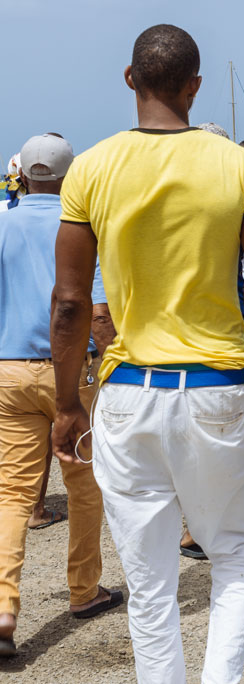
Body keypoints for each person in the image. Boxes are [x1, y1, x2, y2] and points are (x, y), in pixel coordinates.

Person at [49, 24, 244, 683]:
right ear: (195, 86)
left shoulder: (90, 167)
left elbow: (68, 303)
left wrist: (68, 403)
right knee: (236, 555)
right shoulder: (237, 166)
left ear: (129, 79)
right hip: (217, 393)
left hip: (127, 394)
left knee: (149, 586)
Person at [0, 134, 121, 658]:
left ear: (22, 175)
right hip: (69, 372)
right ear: (70, 178)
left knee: (11, 492)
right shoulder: (80, 225)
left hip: (8, 372)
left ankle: (3, 607)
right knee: (84, 484)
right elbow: (94, 312)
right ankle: (83, 590)